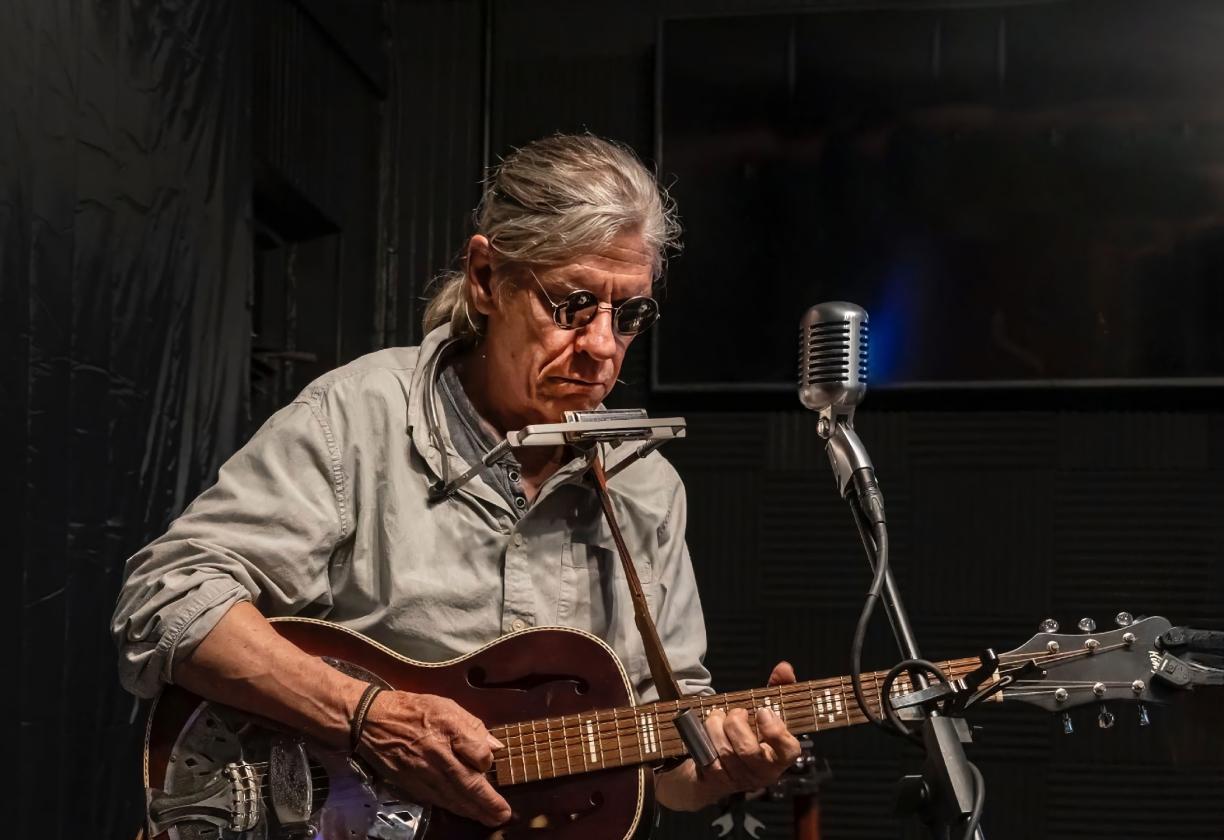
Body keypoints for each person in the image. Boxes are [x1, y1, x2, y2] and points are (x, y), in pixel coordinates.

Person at [111, 133, 801, 827]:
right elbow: (167, 598)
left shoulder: (647, 488)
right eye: (571, 304)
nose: (600, 347)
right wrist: (369, 715)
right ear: (484, 278)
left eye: (629, 316)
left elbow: (667, 760)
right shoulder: (358, 417)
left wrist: (722, 765)